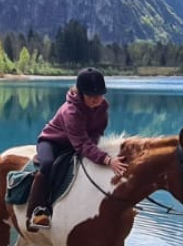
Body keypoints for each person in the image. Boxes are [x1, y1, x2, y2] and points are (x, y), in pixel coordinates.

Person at [26, 67, 127, 231]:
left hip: (79, 142)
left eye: (99, 95)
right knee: (47, 164)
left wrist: (95, 150)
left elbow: (97, 132)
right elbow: (81, 144)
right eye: (91, 96)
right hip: (53, 142)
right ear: (81, 94)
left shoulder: (102, 106)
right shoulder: (71, 111)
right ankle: (37, 211)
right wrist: (107, 159)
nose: (96, 99)